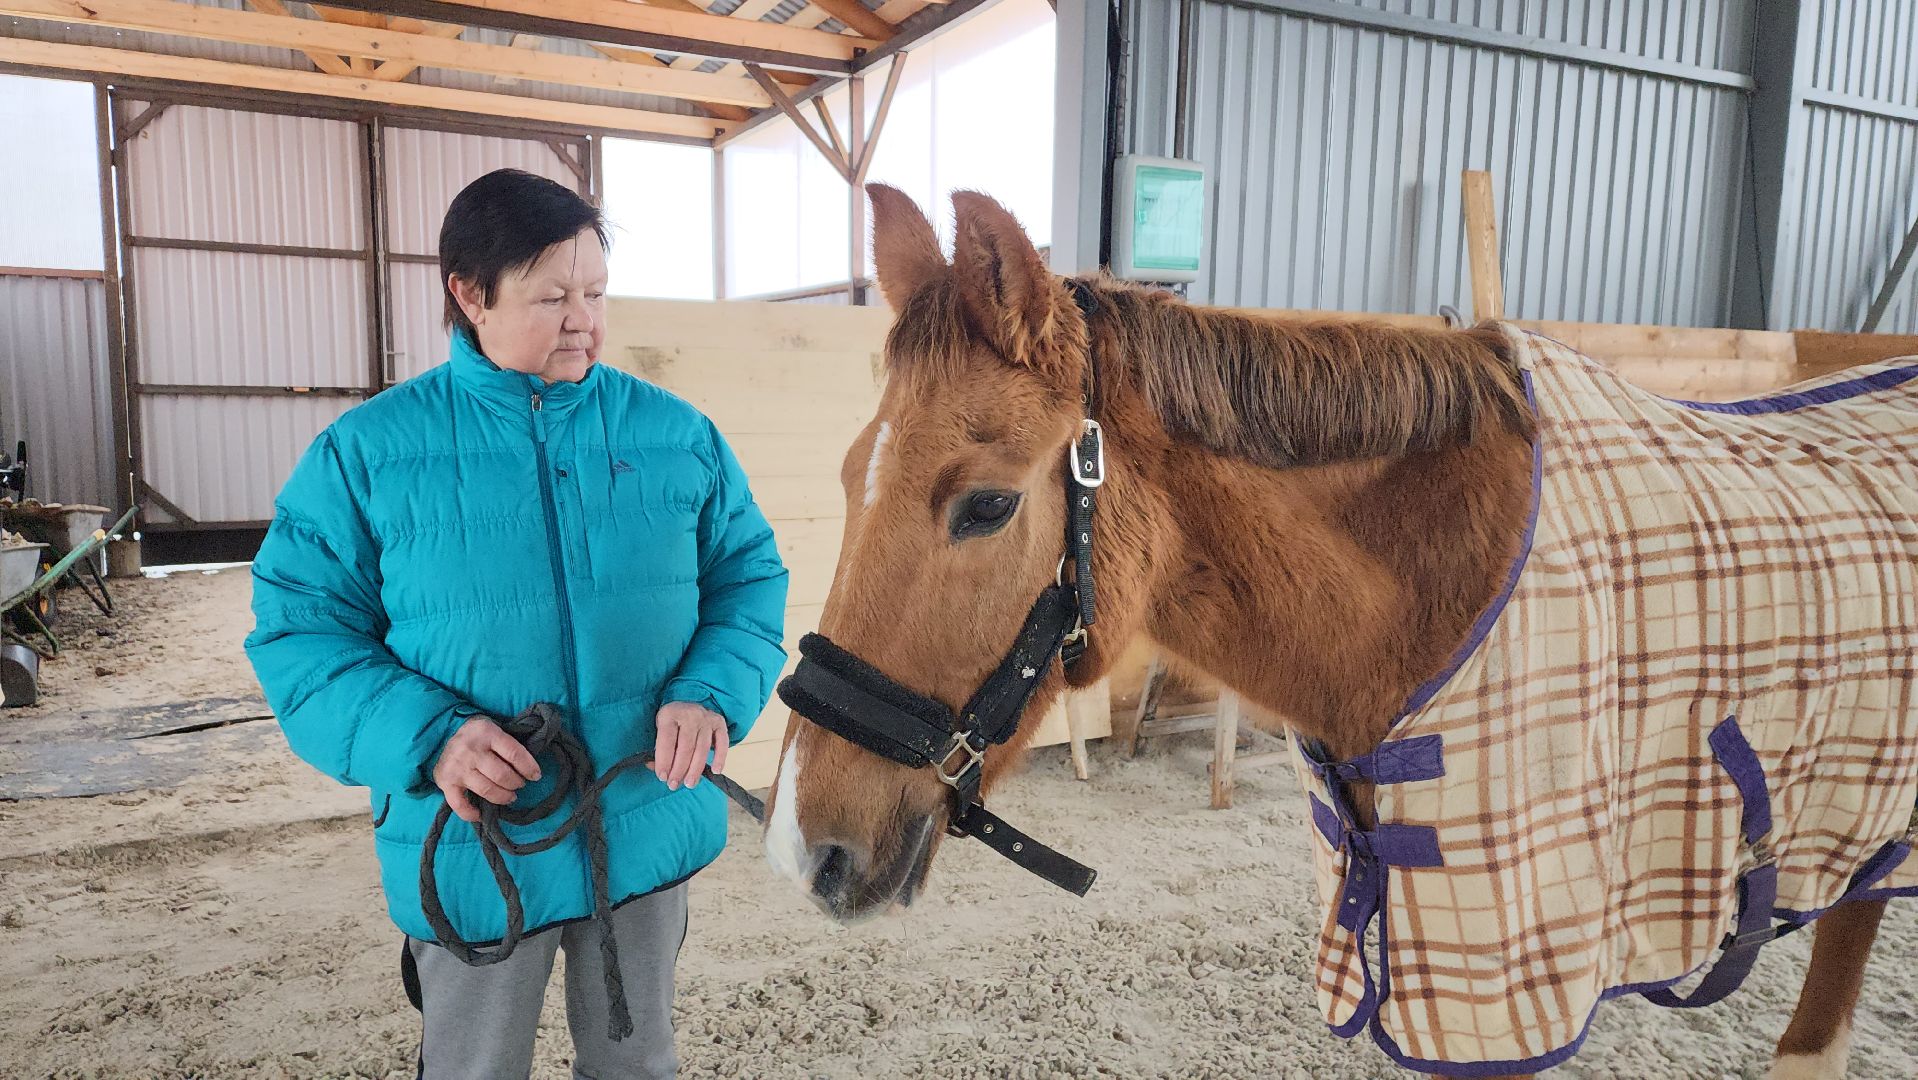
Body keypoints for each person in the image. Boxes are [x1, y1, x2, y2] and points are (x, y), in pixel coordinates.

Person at [245, 168, 788, 1079]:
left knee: (638, 1061)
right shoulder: (367, 453)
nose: (584, 319)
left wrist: (710, 693)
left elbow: (748, 577)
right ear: (469, 295)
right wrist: (431, 739)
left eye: (596, 292)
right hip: (476, 840)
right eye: (553, 296)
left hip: (642, 823)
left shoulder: (676, 433)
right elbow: (300, 634)